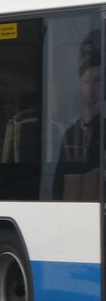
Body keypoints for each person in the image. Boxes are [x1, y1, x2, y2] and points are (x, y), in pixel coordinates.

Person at [54, 30, 101, 200]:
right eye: (87, 81)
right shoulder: (70, 136)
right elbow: (57, 193)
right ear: (80, 84)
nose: (90, 92)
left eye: (98, 81)